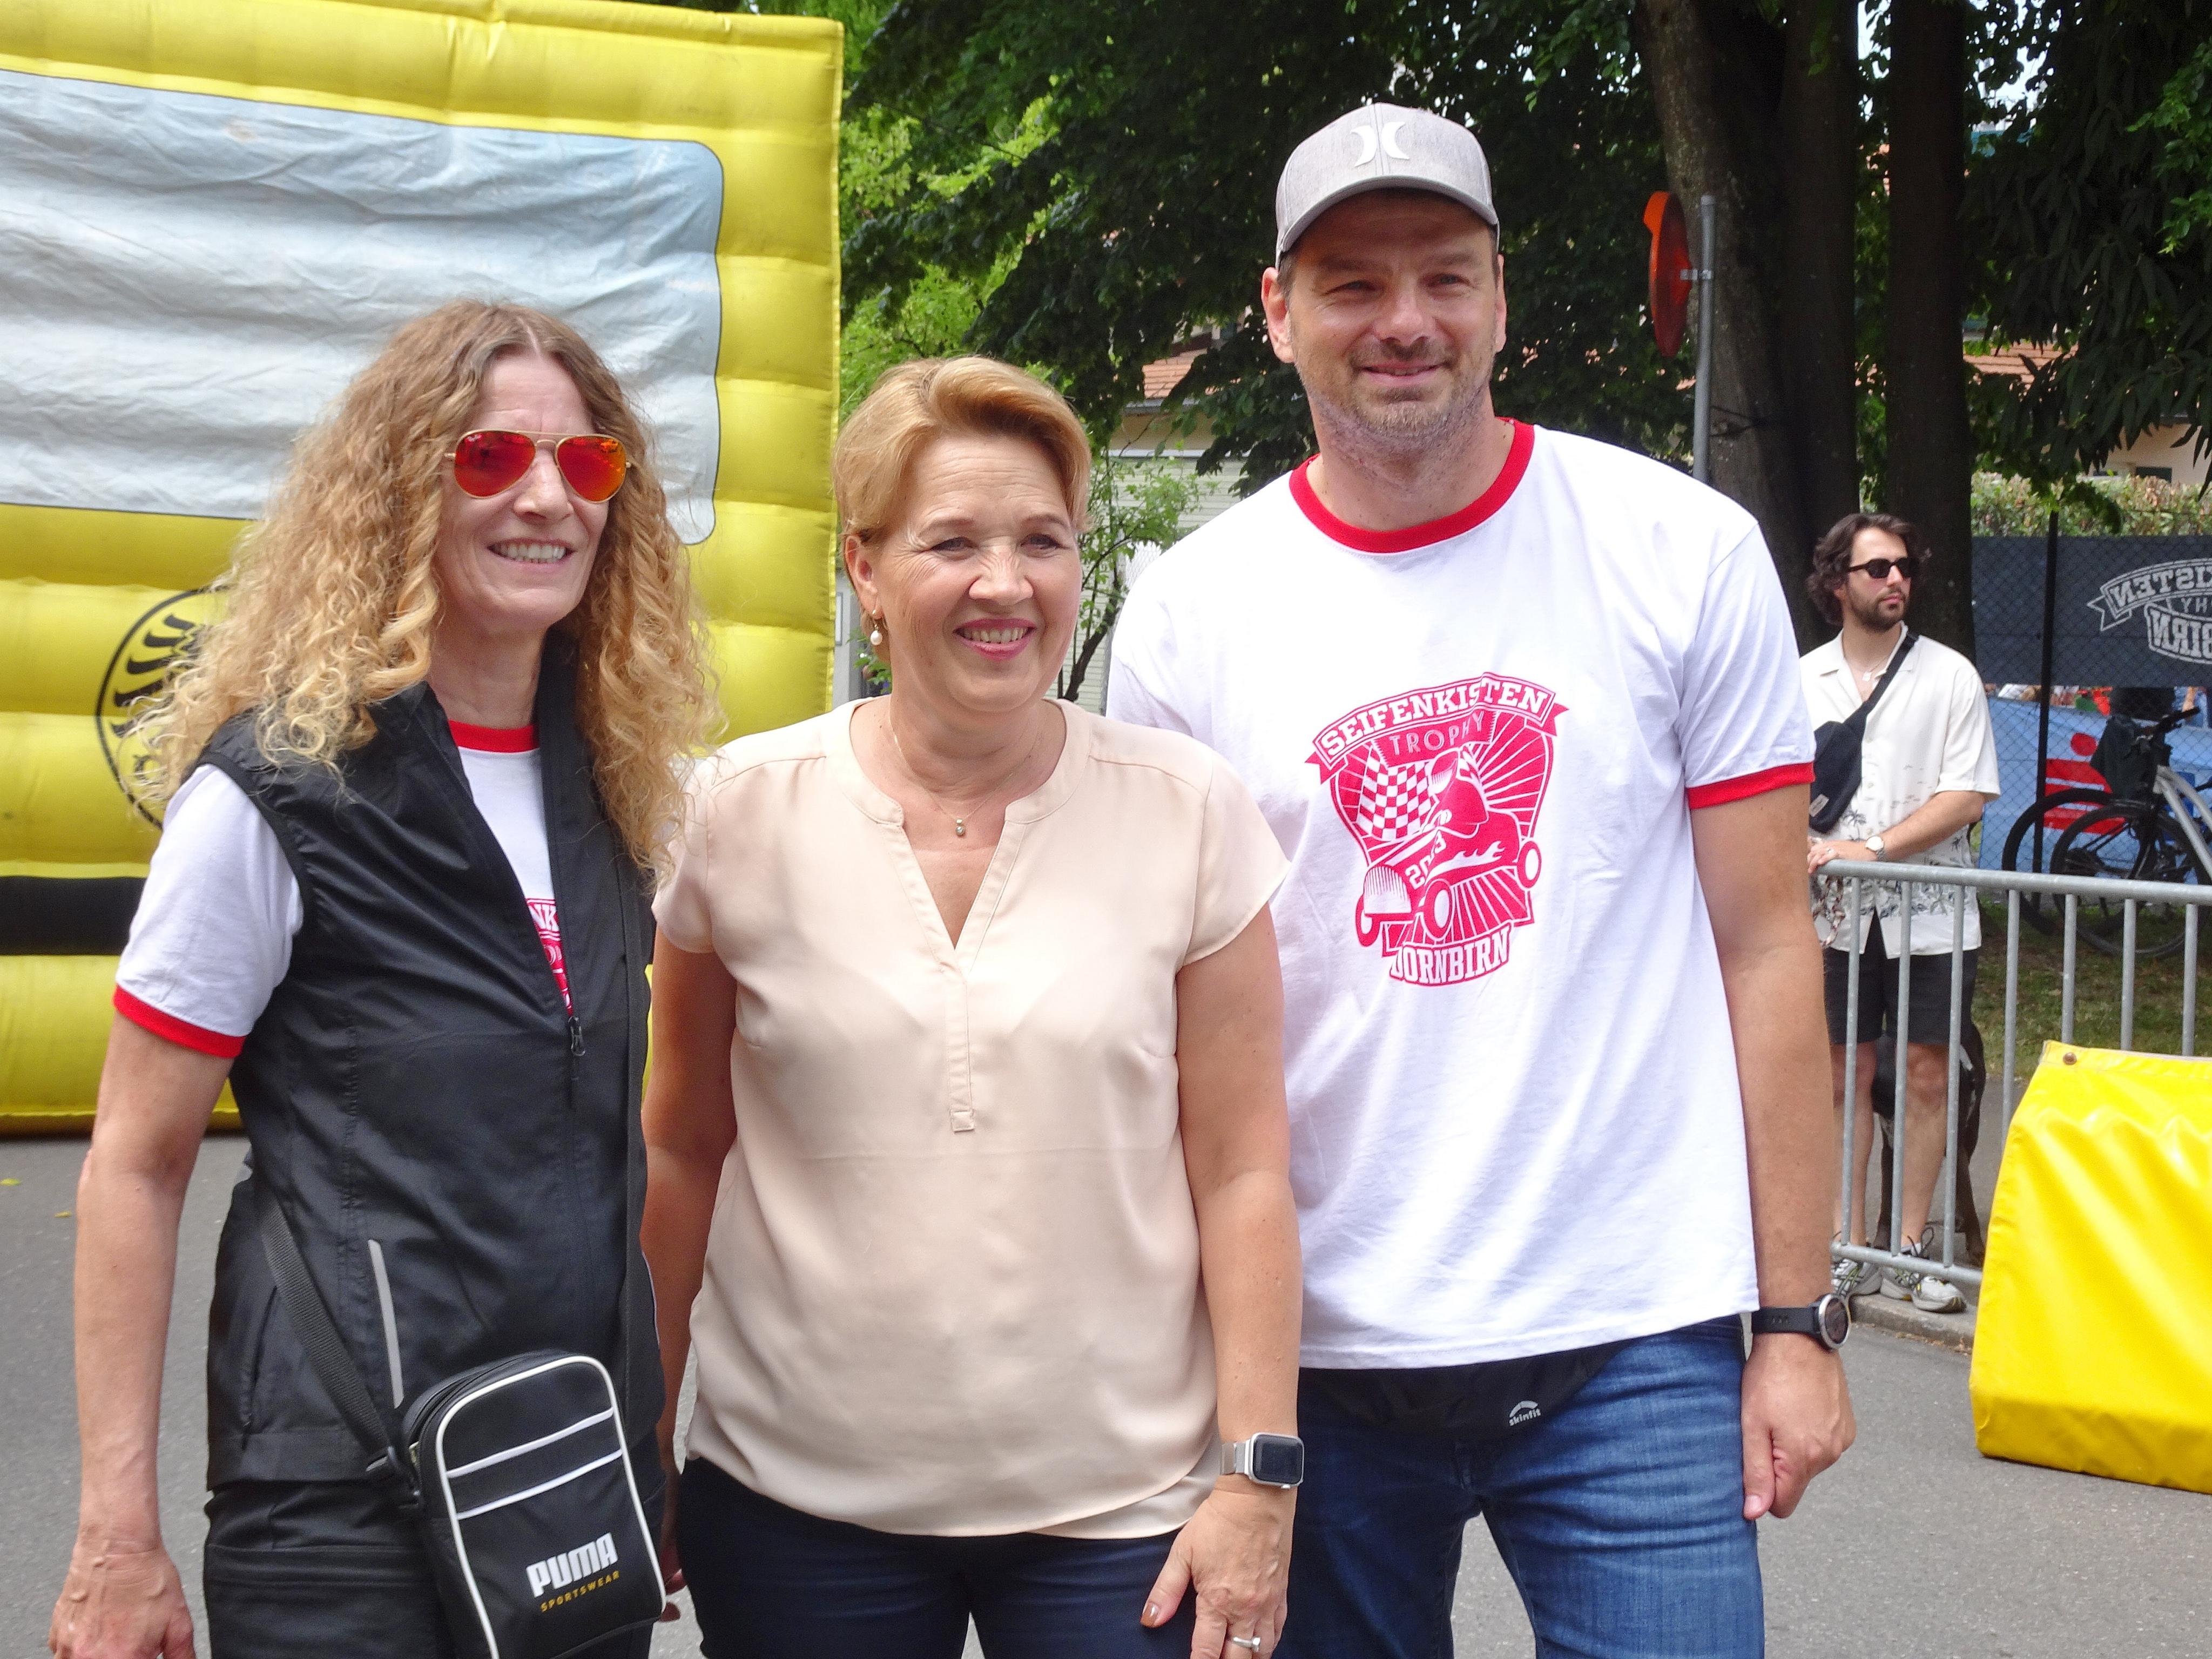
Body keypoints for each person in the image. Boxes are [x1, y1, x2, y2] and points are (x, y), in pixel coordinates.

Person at [1108, 103, 1853, 1658]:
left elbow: (1766, 945)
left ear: (1501, 298)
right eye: (1353, 284)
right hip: (1314, 1354)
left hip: (1633, 1335)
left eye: (1444, 277)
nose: (1405, 321)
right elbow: (1168, 1017)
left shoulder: (1681, 549)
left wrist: (1794, 1322)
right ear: (1277, 313)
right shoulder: (1192, 611)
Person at [48, 300, 711, 1659]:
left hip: (561, 1470)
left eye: (585, 463)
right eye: (491, 458)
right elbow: (136, 1163)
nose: (548, 499)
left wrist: (642, 1449)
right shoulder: (277, 791)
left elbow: (613, 1160)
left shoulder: (612, 788)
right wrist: (117, 1534)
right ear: (404, 490)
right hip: (343, 1501)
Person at [642, 356, 1304, 1659]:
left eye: (1041, 542)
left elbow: (1242, 1171)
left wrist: (1257, 1476)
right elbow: (682, 1149)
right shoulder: (733, 815)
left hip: (1123, 1518)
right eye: (952, 543)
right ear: (865, 569)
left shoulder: (1187, 811)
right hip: (796, 1511)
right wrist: (643, 1433)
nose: (1005, 584)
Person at [1803, 513, 2001, 1316]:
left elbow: (1969, 793)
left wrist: (1874, 848)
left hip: (1934, 912)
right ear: (1837, 582)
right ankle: (1849, 1245)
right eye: (1878, 568)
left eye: (1905, 568)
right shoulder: (1802, 678)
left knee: (1927, 1071)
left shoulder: (1950, 676)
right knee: (1841, 1073)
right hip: (1836, 917)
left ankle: (1913, 1245)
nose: (1896, 580)